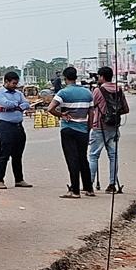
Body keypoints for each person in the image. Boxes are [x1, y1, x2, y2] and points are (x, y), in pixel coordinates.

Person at [49, 66, 95, 198]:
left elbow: (50, 108)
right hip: (83, 129)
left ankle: (75, 190)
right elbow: (91, 114)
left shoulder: (63, 93)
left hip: (68, 129)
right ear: (76, 77)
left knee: (72, 159)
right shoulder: (87, 93)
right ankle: (88, 188)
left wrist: (61, 114)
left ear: (65, 78)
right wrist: (89, 128)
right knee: (83, 158)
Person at [89, 66, 130, 193]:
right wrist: (113, 114)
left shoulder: (98, 90)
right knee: (113, 156)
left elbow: (91, 106)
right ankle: (112, 184)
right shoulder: (118, 89)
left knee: (93, 156)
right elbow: (125, 109)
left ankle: (89, 184)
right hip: (114, 127)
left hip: (99, 127)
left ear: (101, 77)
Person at [0, 71, 34, 189]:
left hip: (18, 127)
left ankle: (19, 179)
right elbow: (6, 104)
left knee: (17, 155)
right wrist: (18, 106)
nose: (15, 85)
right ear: (6, 82)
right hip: (5, 127)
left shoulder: (19, 93)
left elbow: (26, 104)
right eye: (13, 83)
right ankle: (0, 180)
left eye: (16, 83)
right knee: (4, 154)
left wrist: (18, 106)